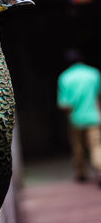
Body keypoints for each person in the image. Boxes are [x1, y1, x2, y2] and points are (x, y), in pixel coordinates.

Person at [57, 49, 101, 185]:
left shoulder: (64, 77)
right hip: (94, 116)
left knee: (78, 147)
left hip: (75, 118)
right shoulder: (93, 73)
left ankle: (81, 172)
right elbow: (98, 96)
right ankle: (99, 170)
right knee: (96, 146)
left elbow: (64, 104)